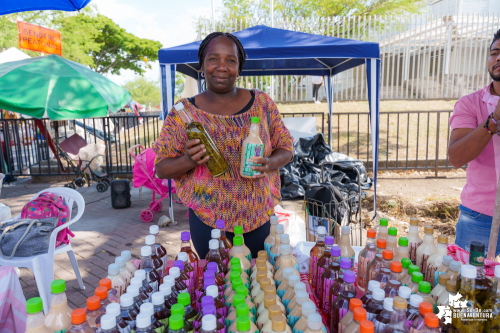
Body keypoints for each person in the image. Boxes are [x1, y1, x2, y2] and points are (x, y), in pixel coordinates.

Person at [152, 32, 294, 259]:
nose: (222, 66)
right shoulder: (183, 113)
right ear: (202, 65)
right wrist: (188, 160)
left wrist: (269, 163)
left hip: (256, 215)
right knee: (215, 283)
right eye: (213, 59)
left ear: (239, 68)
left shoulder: (263, 104)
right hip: (207, 220)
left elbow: (286, 148)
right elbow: (161, 168)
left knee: (256, 281)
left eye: (231, 60)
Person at [448, 29, 500, 256]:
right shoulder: (470, 104)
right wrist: (493, 121)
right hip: (480, 217)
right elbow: (456, 158)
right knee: (468, 287)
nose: (498, 58)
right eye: (494, 52)